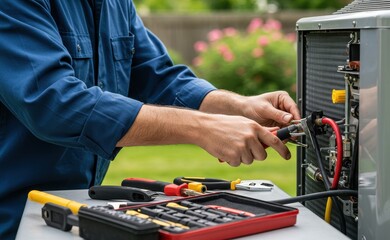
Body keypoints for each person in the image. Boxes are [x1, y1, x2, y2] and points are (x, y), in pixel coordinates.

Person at [0, 0, 300, 239]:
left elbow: (156, 77)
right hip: (10, 218)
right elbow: (55, 104)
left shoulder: (114, 5)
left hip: (72, 210)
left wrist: (238, 106)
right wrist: (204, 128)